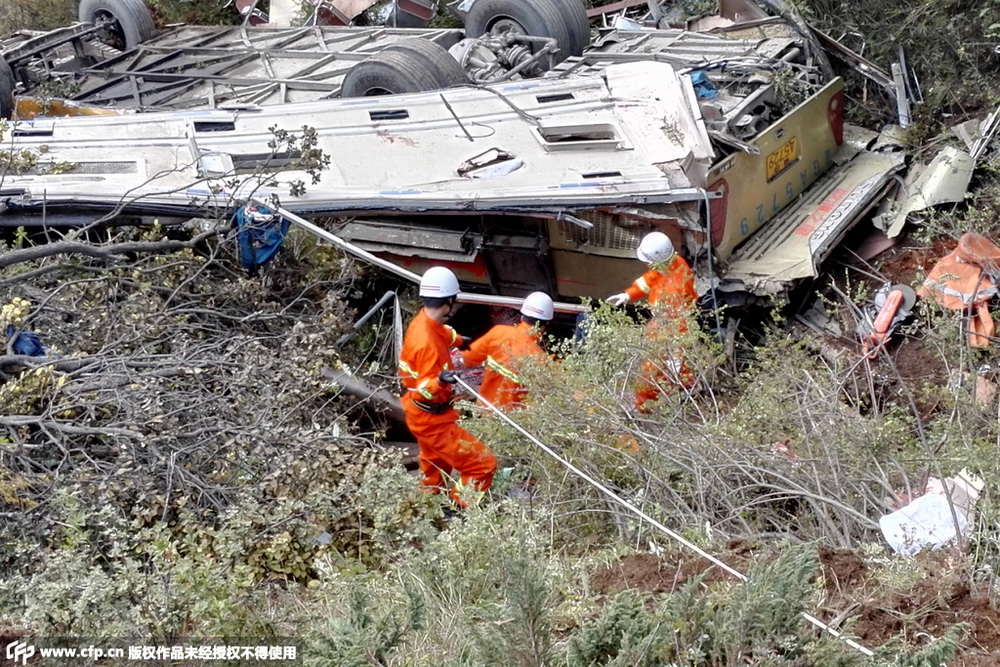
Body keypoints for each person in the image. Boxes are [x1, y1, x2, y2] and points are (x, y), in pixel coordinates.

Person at [399, 266, 497, 507]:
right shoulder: (427, 345)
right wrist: (441, 380)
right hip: (432, 419)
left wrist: (462, 341)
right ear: (450, 301)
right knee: (483, 464)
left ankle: (428, 504)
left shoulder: (424, 323)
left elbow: (443, 332)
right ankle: (459, 508)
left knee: (434, 462)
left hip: (422, 415)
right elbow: (423, 387)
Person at [606, 231, 698, 410]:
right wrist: (628, 294)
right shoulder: (674, 264)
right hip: (665, 323)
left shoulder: (675, 287)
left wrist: (675, 353)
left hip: (669, 327)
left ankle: (643, 406)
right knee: (672, 369)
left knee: (651, 369)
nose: (647, 265)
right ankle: (686, 387)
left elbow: (678, 325)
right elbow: (650, 280)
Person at [461, 292, 554, 411]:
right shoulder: (540, 358)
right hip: (512, 421)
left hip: (484, 410)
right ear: (544, 326)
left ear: (522, 317)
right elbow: (548, 397)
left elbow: (467, 359)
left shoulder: (498, 332)